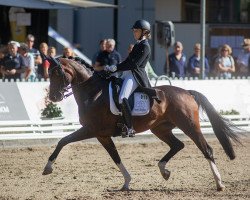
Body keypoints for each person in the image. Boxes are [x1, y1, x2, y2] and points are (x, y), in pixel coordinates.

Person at [104, 19, 155, 137]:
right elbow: (127, 61)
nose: (134, 33)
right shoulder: (138, 44)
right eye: (134, 31)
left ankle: (130, 127)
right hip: (128, 74)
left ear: (144, 32)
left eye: (136, 31)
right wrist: (114, 68)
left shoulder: (145, 46)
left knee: (122, 97)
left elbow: (134, 65)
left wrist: (116, 68)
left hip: (135, 76)